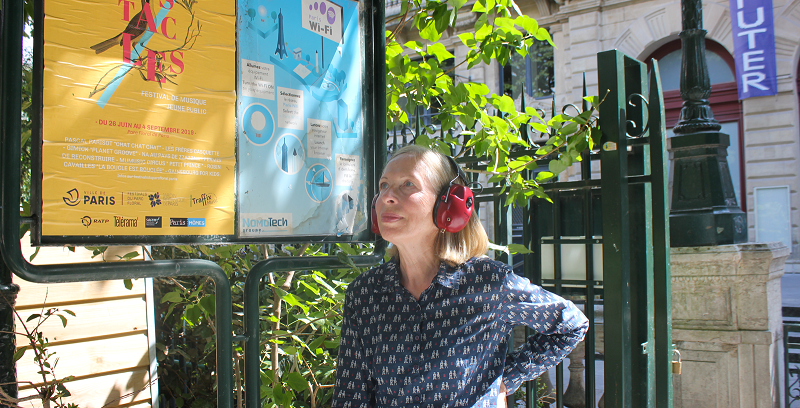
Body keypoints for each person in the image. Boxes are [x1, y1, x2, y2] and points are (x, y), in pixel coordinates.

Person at [332, 145, 589, 408]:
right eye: (384, 185)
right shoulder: (365, 294)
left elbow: (571, 324)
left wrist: (505, 379)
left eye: (408, 184)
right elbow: (350, 396)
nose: (387, 196)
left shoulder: (489, 283)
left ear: (449, 205)